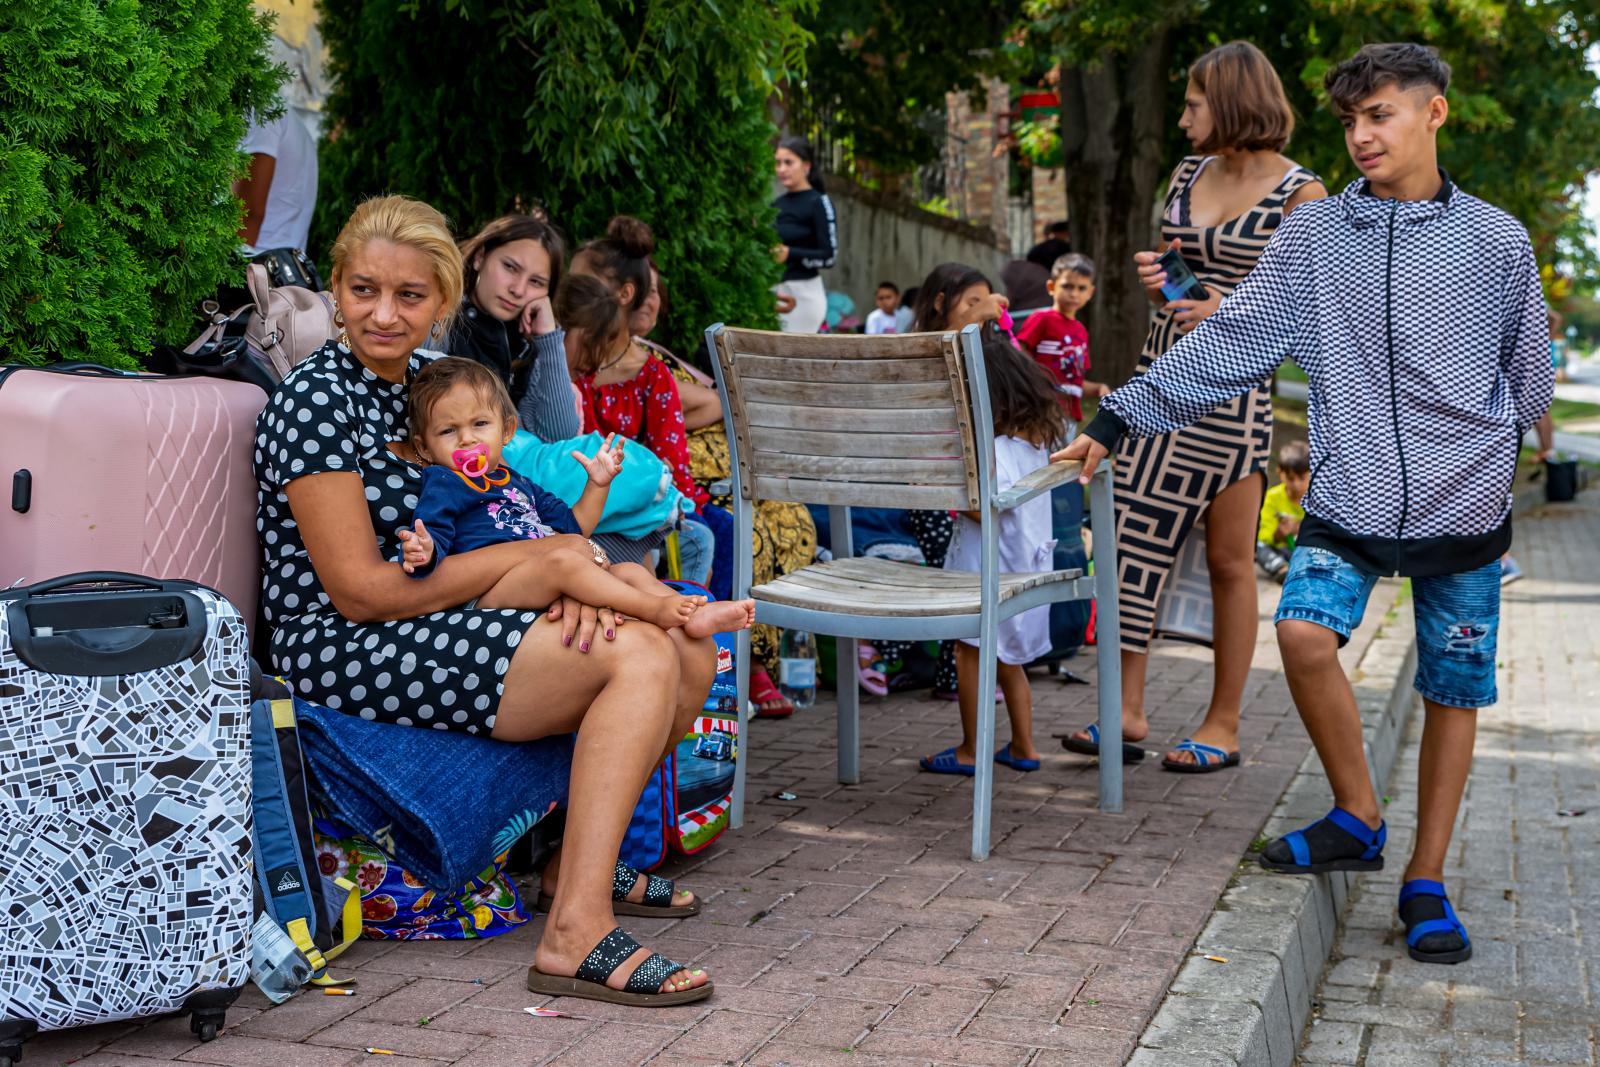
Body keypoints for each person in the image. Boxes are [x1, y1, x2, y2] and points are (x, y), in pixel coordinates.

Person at [1056, 43, 1553, 965]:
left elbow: (1529, 379)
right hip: (1350, 490)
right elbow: (1239, 338)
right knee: (1302, 633)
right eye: (1352, 121)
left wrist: (1490, 459)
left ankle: (1427, 878)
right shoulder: (1318, 239)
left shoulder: (1497, 240)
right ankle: (1359, 815)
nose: (1362, 136)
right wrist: (1122, 416)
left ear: (1434, 113)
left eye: (1382, 116)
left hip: (1464, 511)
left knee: (1453, 688)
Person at [253, 194, 717, 1005]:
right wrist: (536, 564)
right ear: (334, 288)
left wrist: (558, 562)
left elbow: (510, 499)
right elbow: (358, 592)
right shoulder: (315, 403)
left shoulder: (428, 388)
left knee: (690, 646)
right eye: (363, 290)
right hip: (342, 642)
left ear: (442, 301)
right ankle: (575, 933)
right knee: (641, 652)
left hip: (437, 608)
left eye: (409, 296)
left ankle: (578, 859)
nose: (384, 314)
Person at [1058, 40, 1327, 773]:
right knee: (1131, 540)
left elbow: (1309, 308)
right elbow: (1186, 283)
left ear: (1233, 102)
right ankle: (1126, 709)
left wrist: (1223, 307)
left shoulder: (1303, 193)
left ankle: (1224, 721)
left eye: (1193, 104)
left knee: (1230, 560)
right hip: (1161, 371)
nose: (1181, 119)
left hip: (1237, 390)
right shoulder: (1187, 173)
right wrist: (1167, 283)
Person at [396, 356, 756, 637]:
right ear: (424, 448)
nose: (467, 439)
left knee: (627, 569)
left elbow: (575, 527)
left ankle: (688, 612)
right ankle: (653, 610)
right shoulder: (444, 481)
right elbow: (434, 533)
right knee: (563, 563)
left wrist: (597, 484)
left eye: (479, 424)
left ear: (506, 430)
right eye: (448, 430)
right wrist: (423, 550)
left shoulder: (516, 481)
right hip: (489, 592)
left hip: (543, 575)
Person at [919, 328, 1065, 776]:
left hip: (989, 570)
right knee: (1009, 663)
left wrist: (951, 496)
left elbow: (989, 511)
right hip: (1023, 565)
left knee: (971, 653)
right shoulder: (1033, 444)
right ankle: (1024, 746)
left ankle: (971, 748)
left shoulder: (999, 450)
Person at [443, 214, 572, 431]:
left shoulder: (529, 346)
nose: (518, 290)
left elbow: (558, 435)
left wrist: (549, 338)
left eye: (536, 282)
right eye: (510, 267)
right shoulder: (440, 319)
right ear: (480, 257)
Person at [1015, 253, 1109, 439]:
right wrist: (1036, 383)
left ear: (1090, 292)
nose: (1074, 293)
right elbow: (1018, 352)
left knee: (1059, 463)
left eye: (1082, 288)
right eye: (1067, 286)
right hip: (1041, 410)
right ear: (1051, 287)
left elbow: (1074, 380)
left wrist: (1098, 388)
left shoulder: (1081, 331)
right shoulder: (1042, 319)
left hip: (1069, 416)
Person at [772, 135, 838, 334]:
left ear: (806, 166)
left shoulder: (819, 202)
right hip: (776, 293)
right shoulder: (775, 205)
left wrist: (790, 254)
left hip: (805, 295)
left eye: (788, 162)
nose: (781, 169)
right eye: (778, 163)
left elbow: (829, 257)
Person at [235, 102, 319, 253]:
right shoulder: (285, 115)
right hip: (284, 267)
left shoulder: (262, 112)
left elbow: (249, 214)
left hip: (255, 266)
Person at [1255, 441, 1310, 583]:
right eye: (1291, 478)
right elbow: (1263, 535)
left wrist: (1299, 527)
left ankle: (1301, 568)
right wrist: (1278, 534)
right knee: (1257, 545)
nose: (1296, 484)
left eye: (1302, 478)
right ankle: (1281, 569)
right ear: (1280, 473)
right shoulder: (1271, 497)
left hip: (1306, 551)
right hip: (1280, 552)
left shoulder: (1317, 499)